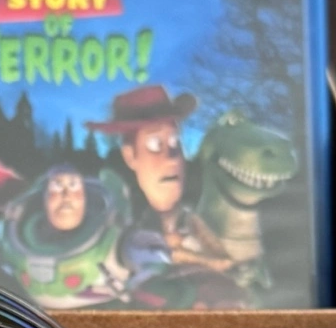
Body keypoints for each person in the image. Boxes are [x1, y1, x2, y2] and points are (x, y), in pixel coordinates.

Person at [86, 85, 242, 307]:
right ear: (130, 156)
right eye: (154, 144)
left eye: (175, 142)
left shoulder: (198, 218)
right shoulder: (117, 231)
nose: (172, 158)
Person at [0, 164, 132, 308]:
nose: (66, 195)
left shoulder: (115, 243)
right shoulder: (12, 238)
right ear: (45, 197)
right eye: (57, 186)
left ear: (84, 197)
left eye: (73, 186)